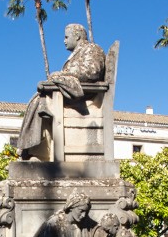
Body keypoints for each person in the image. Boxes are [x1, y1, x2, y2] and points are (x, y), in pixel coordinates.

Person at [18, 23, 106, 160]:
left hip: (83, 98)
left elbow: (92, 72)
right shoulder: (78, 53)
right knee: (39, 101)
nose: (64, 41)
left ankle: (39, 154)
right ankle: (39, 153)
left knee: (41, 103)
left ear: (77, 36)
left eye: (66, 37)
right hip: (70, 96)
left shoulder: (92, 49)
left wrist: (61, 76)